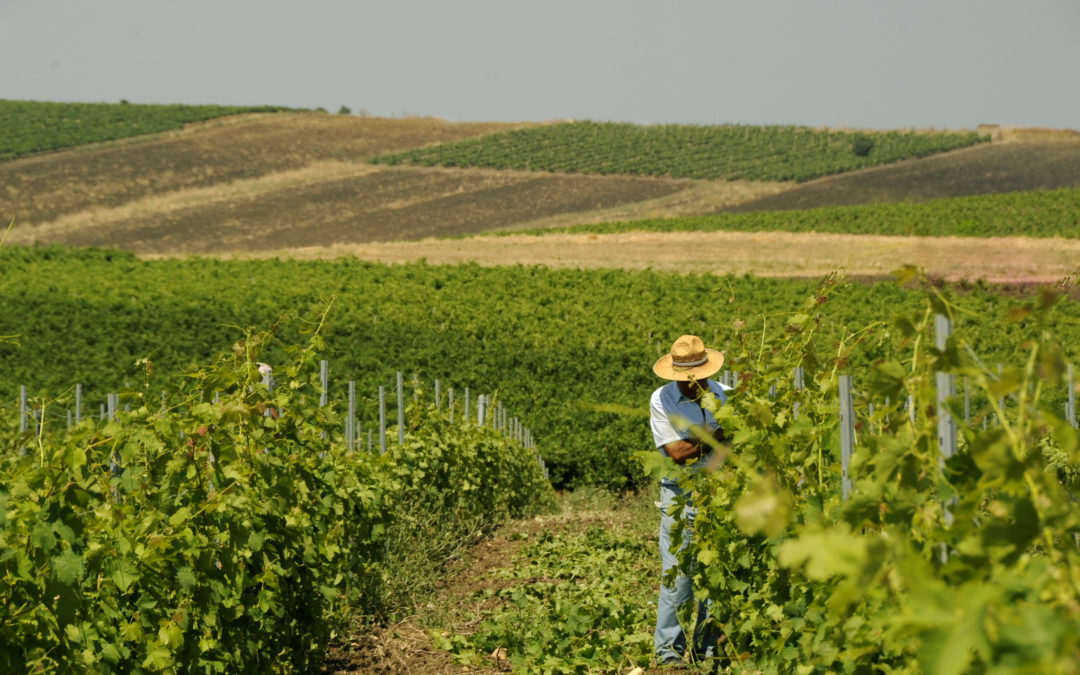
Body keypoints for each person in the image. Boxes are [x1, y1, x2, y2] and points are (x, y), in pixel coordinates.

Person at [650, 334, 729, 666]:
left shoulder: (725, 395)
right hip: (679, 495)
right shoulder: (662, 399)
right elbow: (677, 453)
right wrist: (715, 436)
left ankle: (706, 648)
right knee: (679, 574)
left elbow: (728, 451)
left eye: (694, 378)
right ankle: (668, 652)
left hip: (717, 494)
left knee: (715, 573)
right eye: (683, 380)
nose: (689, 385)